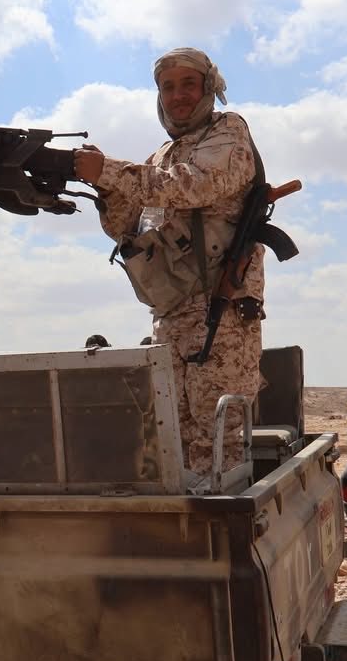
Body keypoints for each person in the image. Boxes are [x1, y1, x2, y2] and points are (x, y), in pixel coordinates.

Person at [73, 47, 264, 476]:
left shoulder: (228, 131)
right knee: (172, 436)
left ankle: (219, 516)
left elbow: (195, 187)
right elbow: (131, 226)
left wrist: (109, 171)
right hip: (171, 313)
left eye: (188, 84)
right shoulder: (162, 157)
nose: (177, 95)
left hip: (220, 312)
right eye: (168, 87)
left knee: (218, 437)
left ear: (209, 87)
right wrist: (105, 189)